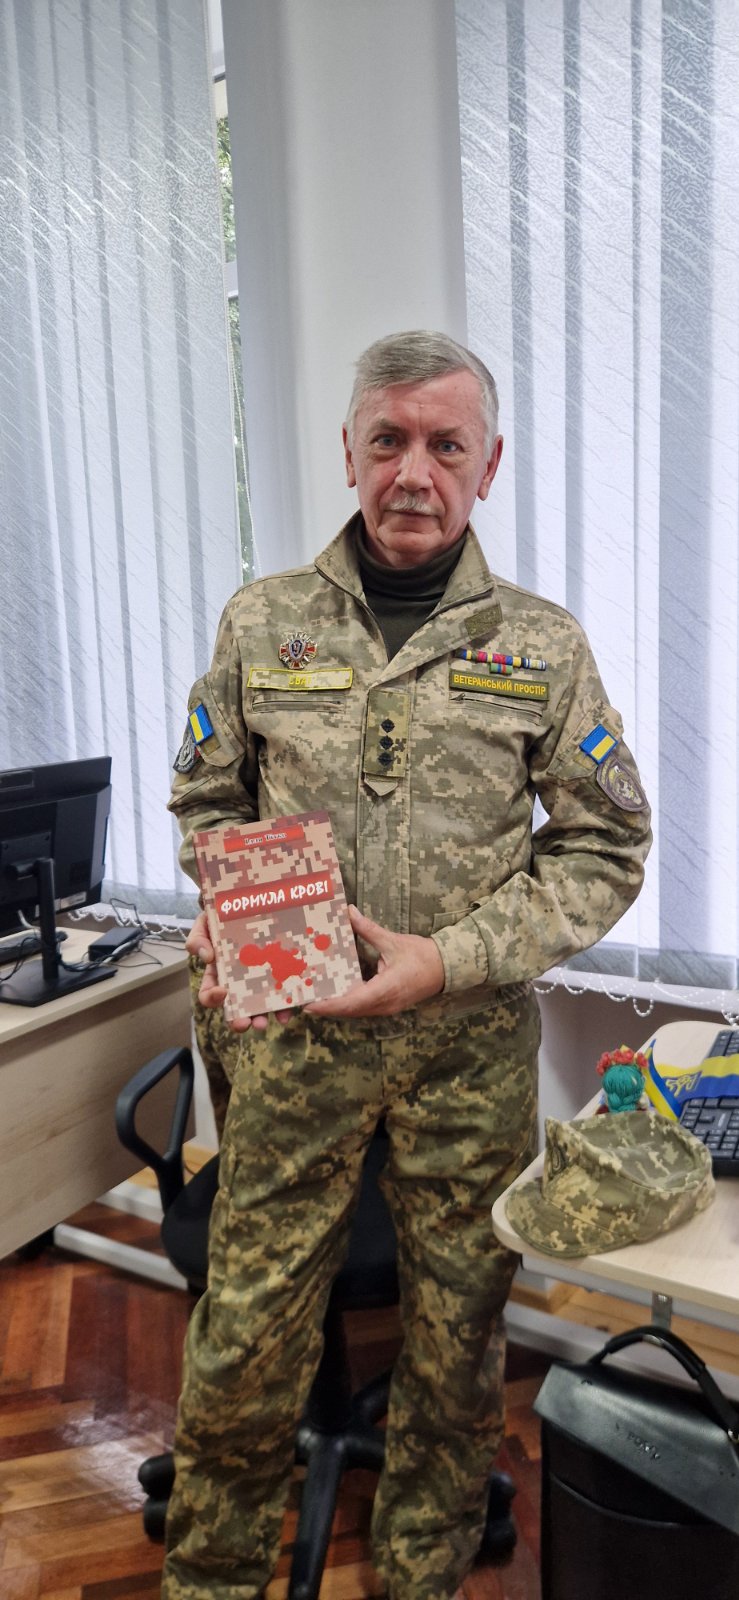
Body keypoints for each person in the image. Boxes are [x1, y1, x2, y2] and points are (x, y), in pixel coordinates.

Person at [162, 330, 651, 1600]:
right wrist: (222, 897)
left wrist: (447, 959)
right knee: (243, 1335)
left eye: (445, 444)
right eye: (387, 440)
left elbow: (606, 843)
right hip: (294, 1045)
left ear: (489, 464)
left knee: (457, 1335)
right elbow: (208, 794)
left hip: (464, 1056)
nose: (413, 472)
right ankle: (211, 1573)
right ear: (349, 452)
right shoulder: (263, 621)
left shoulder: (541, 645)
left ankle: (421, 1570)